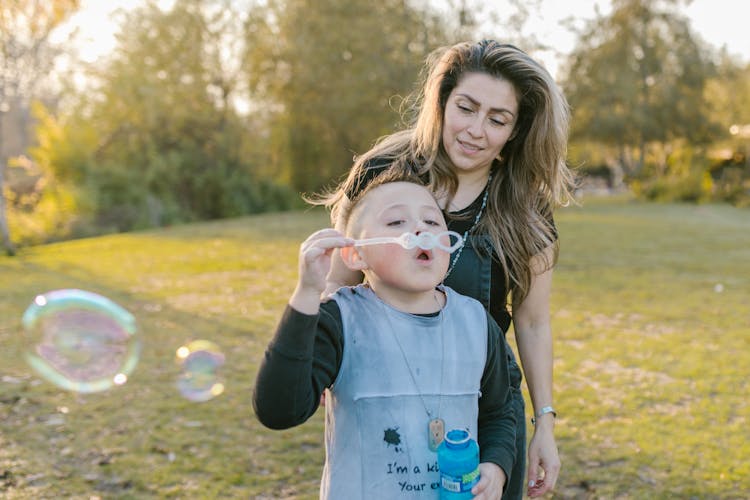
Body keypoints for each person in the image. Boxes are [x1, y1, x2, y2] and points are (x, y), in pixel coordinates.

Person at [318, 39, 576, 498]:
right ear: (441, 103)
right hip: (385, 402)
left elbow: (533, 321)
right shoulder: (383, 169)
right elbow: (339, 283)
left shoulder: (527, 206)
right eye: (466, 108)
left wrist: (545, 425)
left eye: (497, 119)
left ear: (514, 132)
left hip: (486, 411)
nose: (475, 130)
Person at [253, 172, 517, 499]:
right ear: (355, 254)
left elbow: (499, 412)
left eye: (432, 221)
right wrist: (307, 293)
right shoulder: (340, 321)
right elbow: (278, 410)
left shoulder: (476, 322)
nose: (421, 229)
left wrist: (495, 465)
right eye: (396, 222)